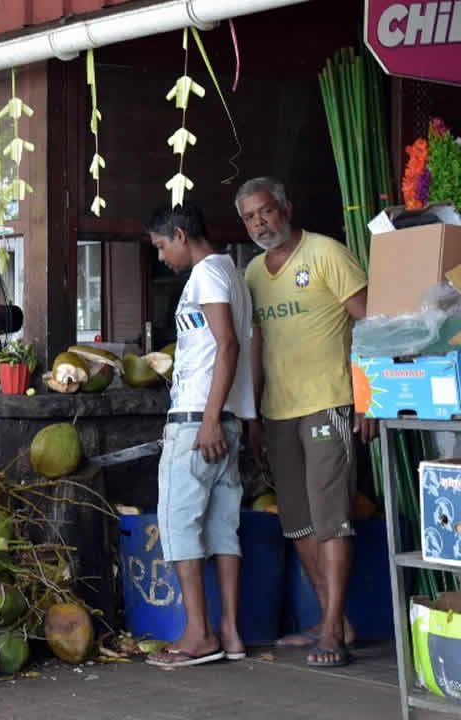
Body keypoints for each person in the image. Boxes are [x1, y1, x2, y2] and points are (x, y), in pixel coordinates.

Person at [240, 176, 369, 668]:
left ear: (286, 207)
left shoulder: (326, 254)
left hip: (328, 403)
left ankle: (333, 629)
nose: (260, 223)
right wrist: (253, 413)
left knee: (332, 520)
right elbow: (255, 344)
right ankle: (329, 618)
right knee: (298, 525)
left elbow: (369, 322)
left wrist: (369, 398)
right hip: (278, 412)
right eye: (250, 217)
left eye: (266, 211)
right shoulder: (252, 272)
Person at [143, 203, 255, 668]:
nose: (162, 257)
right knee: (222, 527)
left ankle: (197, 633)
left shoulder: (208, 273)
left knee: (178, 524)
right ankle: (228, 629)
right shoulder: (232, 272)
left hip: (199, 421)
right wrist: (237, 417)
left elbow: (227, 344)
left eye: (162, 246)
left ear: (180, 234)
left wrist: (209, 420)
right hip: (225, 420)